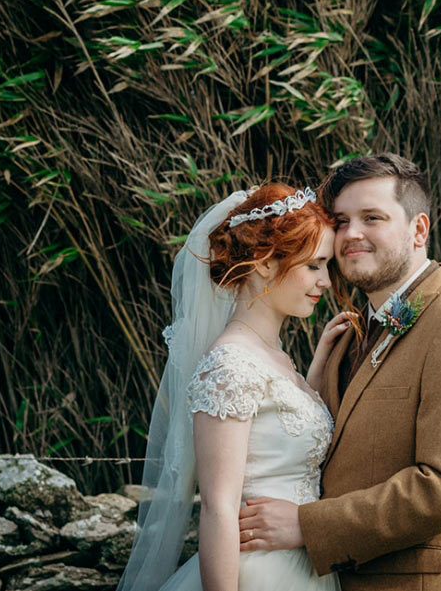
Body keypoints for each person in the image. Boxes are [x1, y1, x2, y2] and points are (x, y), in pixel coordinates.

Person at [237, 154, 441, 591]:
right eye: (341, 220)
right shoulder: (348, 336)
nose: (352, 234)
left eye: (372, 217)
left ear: (418, 229)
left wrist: (307, 526)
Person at [117, 183, 357, 591]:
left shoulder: (274, 356)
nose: (323, 282)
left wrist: (315, 371)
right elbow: (218, 508)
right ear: (265, 263)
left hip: (303, 569)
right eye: (314, 265)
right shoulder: (230, 364)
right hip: (259, 574)